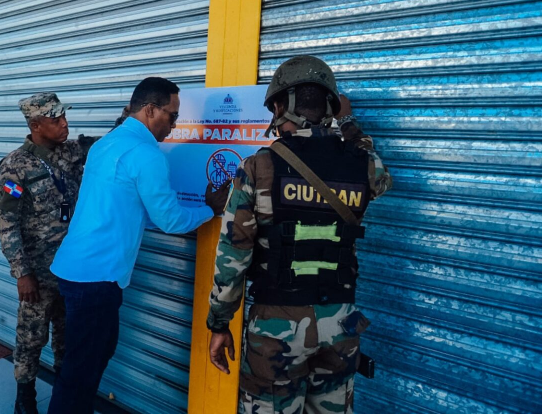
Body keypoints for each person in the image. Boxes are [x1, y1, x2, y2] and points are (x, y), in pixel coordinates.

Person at [206, 56, 393, 414]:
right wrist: (349, 122)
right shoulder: (363, 164)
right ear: (331, 107)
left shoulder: (259, 167)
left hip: (277, 330)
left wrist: (219, 323)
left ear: (280, 106)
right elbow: (382, 178)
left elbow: (233, 258)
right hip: (341, 323)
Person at [47, 77, 231, 414]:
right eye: (172, 116)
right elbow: (170, 220)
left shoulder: (107, 143)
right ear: (150, 110)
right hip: (96, 279)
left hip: (76, 270)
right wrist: (210, 209)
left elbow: (131, 209)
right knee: (81, 371)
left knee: (86, 361)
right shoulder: (146, 154)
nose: (174, 126)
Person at [0, 93, 98, 414]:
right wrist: (22, 273)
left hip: (73, 269)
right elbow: (7, 223)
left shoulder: (73, 152)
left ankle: (66, 398)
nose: (65, 124)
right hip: (38, 274)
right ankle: (24, 398)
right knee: (31, 337)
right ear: (36, 125)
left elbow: (110, 143)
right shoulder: (15, 166)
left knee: (69, 337)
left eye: (64, 116)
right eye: (56, 120)